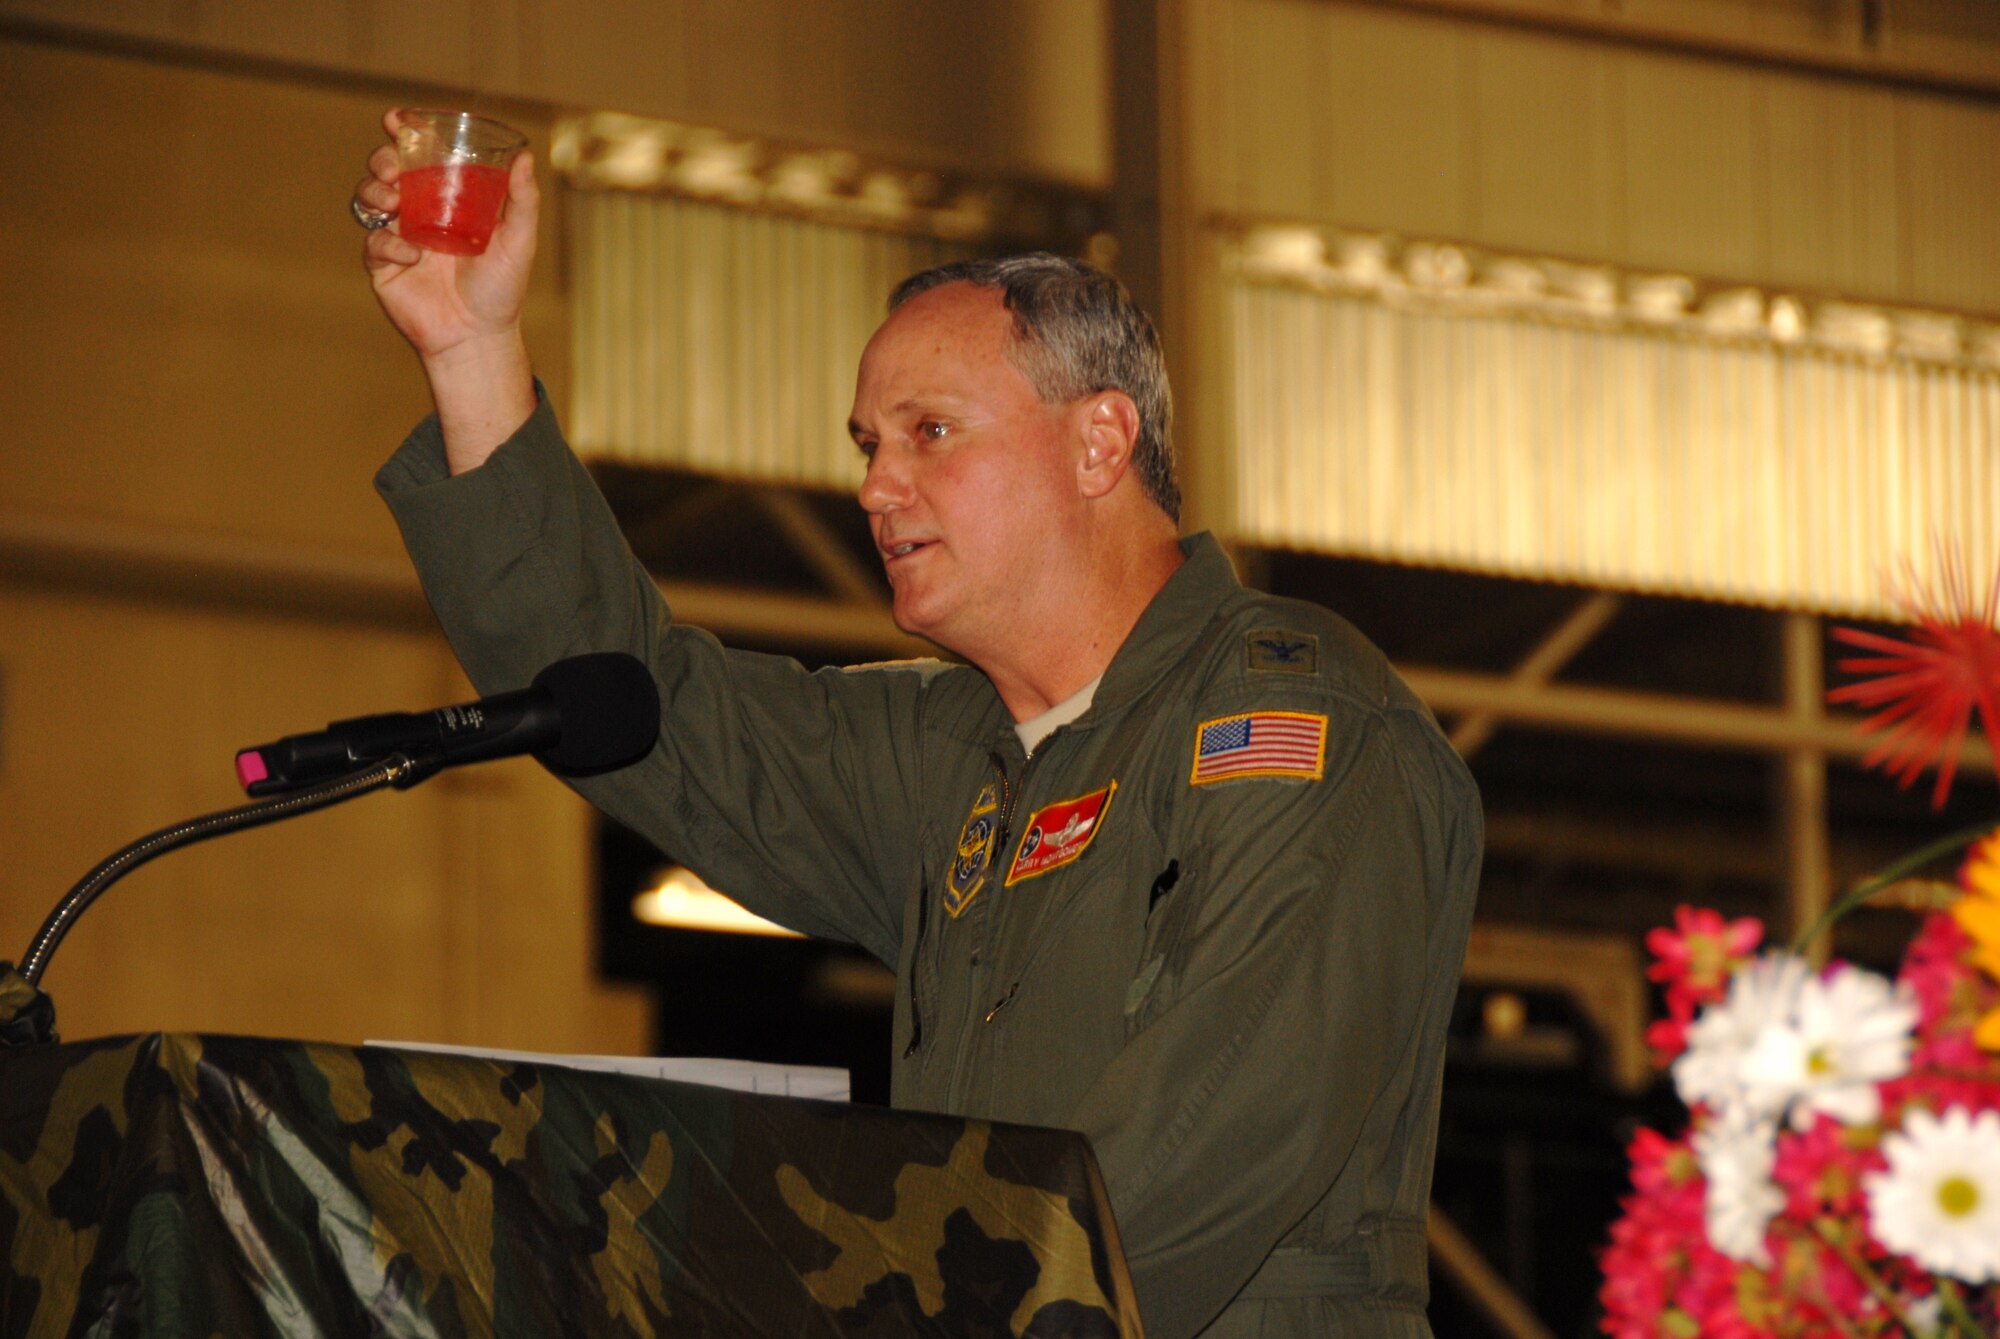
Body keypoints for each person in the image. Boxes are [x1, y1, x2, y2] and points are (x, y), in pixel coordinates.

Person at [355, 112, 1481, 1339]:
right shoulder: (947, 750)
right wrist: (473, 349)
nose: (874, 485)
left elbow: (1220, 1122)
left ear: (1100, 440)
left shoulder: (1290, 722)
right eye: (867, 445)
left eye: (928, 434)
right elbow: (635, 709)